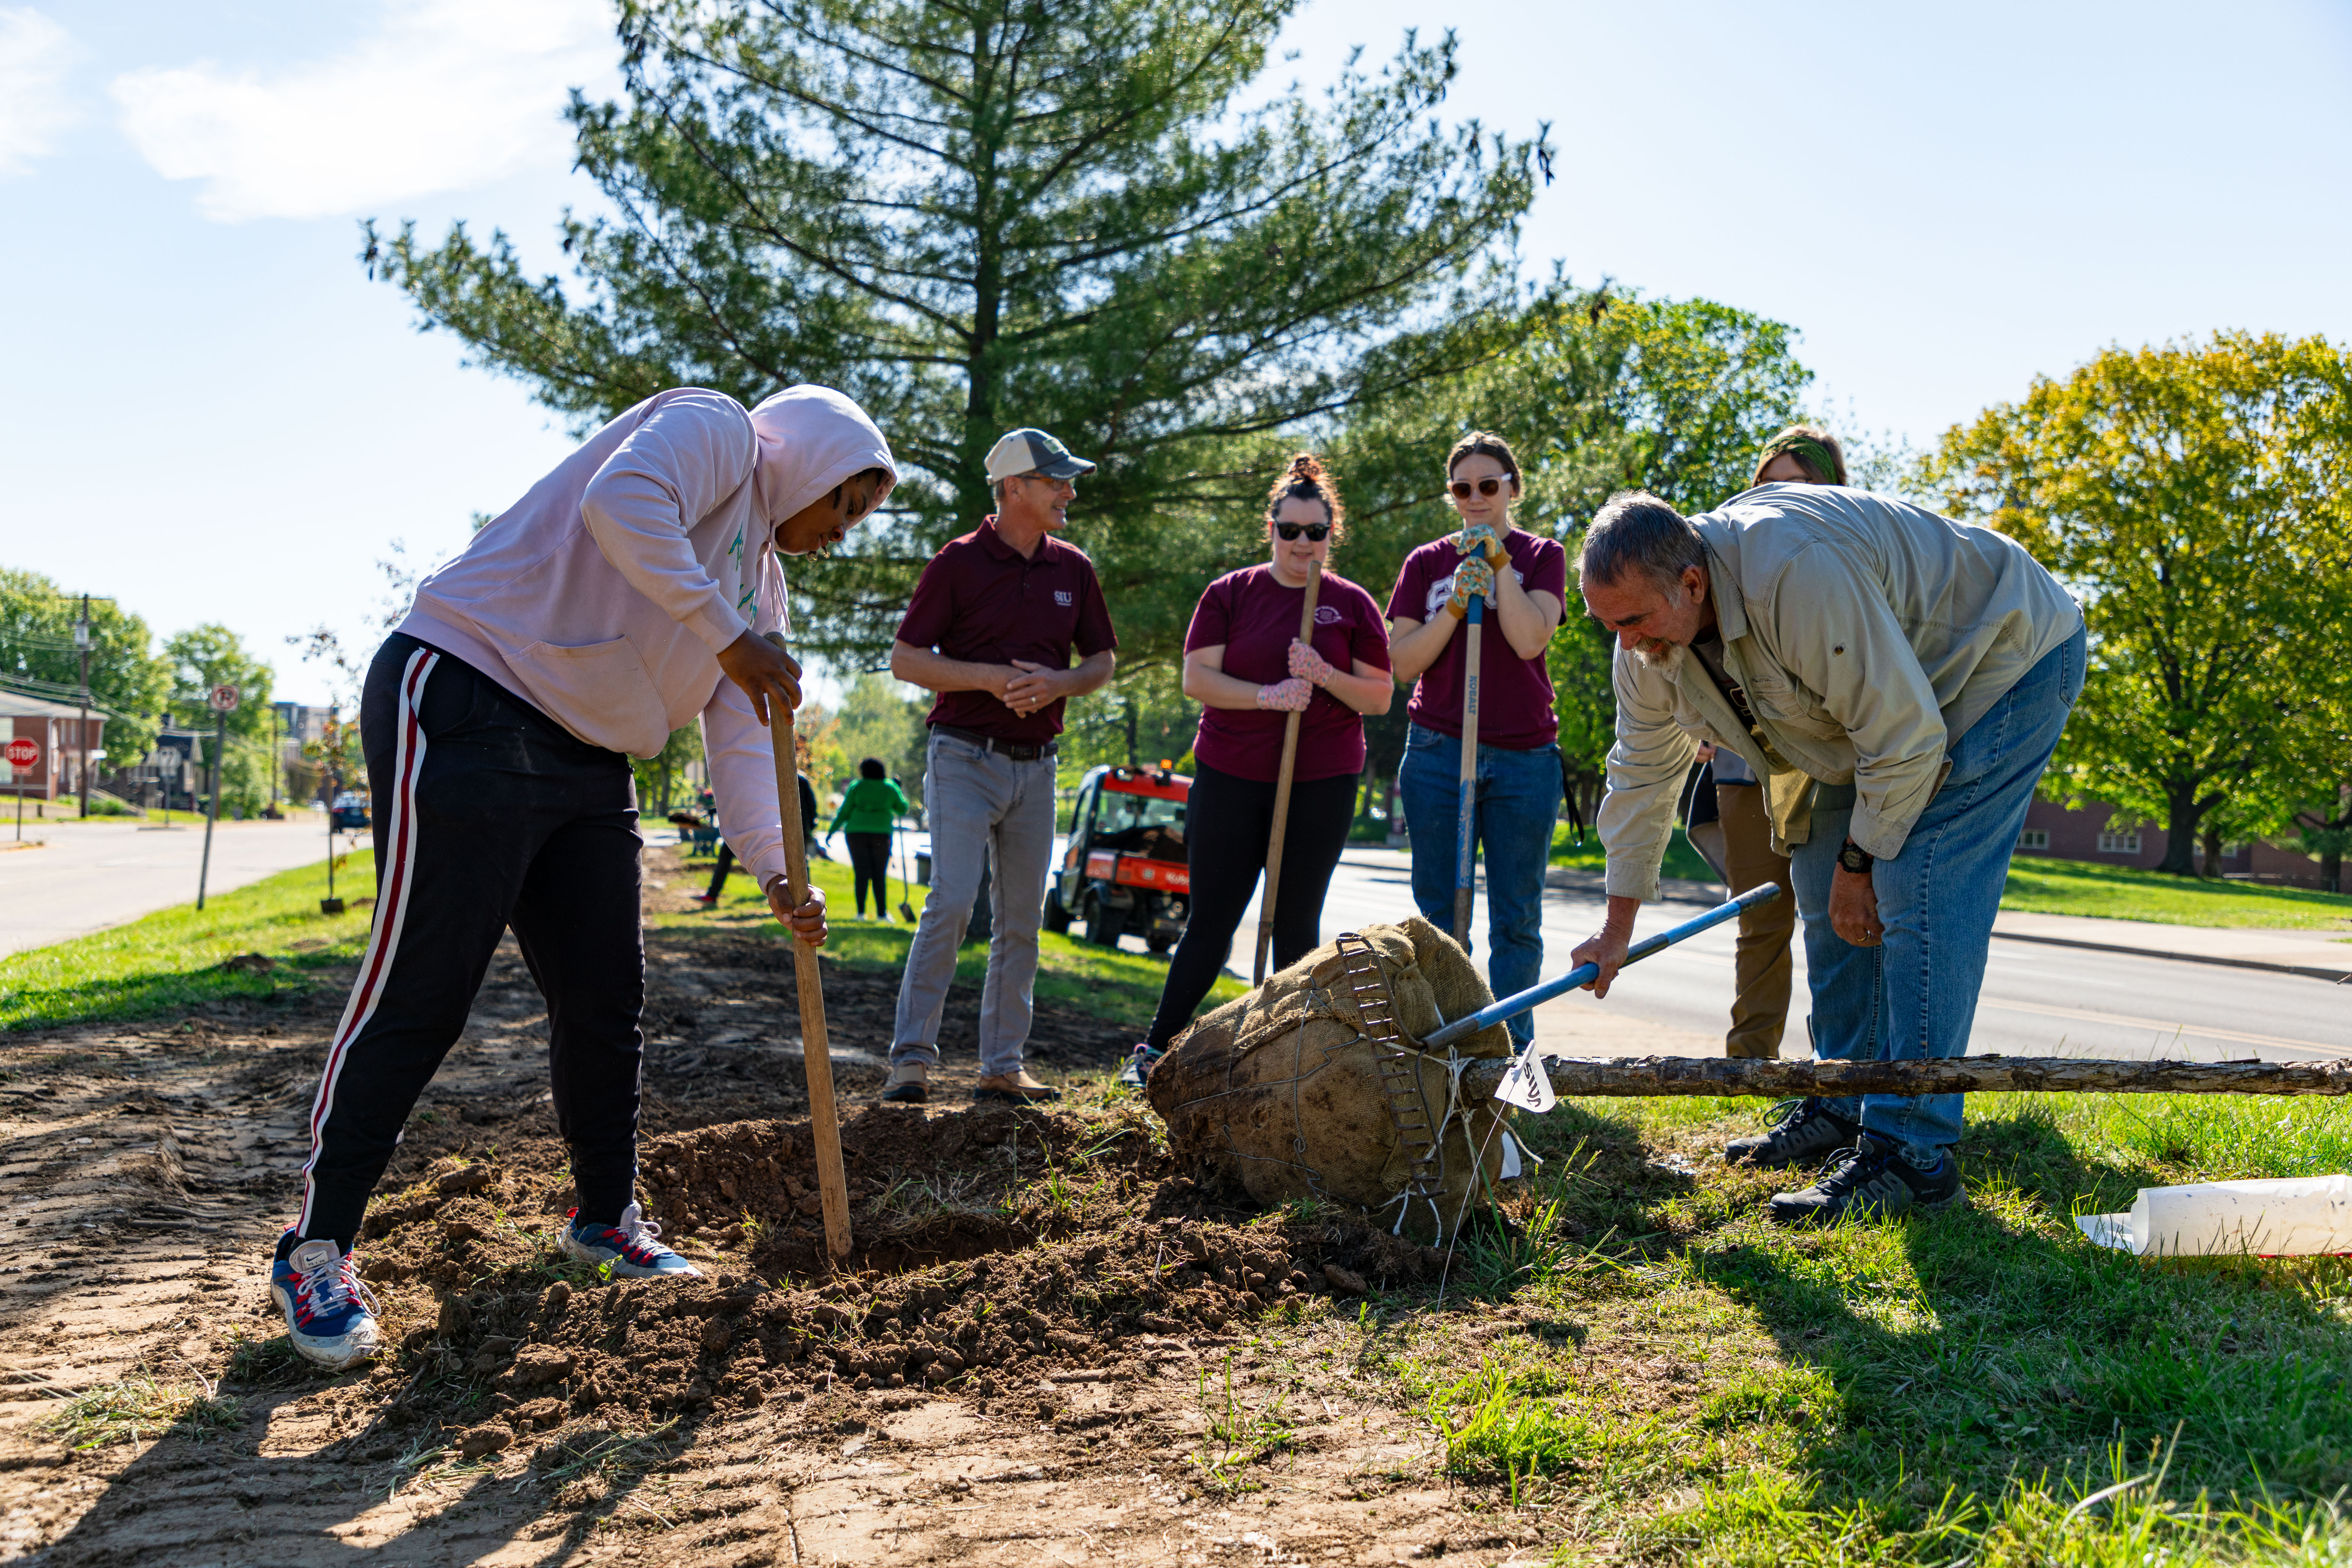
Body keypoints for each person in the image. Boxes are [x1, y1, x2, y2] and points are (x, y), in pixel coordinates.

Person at [269, 385, 892, 1370]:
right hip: (469, 689)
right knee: (425, 985)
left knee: (608, 995)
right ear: (810, 462)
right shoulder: (717, 431)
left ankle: (604, 1218)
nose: (843, 532)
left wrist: (777, 869)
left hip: (593, 754)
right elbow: (621, 502)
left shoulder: (760, 594)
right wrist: (726, 637)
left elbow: (741, 743)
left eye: (861, 517)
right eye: (845, 505)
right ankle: (316, 1248)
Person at [1572, 483, 2084, 1223]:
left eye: (1634, 620)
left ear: (1691, 582)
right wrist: (1617, 928)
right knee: (1816, 872)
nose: (1625, 641)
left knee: (1917, 884)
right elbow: (1642, 776)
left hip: (2001, 664)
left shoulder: (1793, 573)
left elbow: (1904, 738)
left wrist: (1863, 863)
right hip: (1881, 712)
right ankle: (1846, 1100)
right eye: (1606, 624)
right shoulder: (1647, 647)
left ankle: (1912, 1150)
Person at [1124, 455, 1393, 1083]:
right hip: (1232, 773)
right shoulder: (1231, 594)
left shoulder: (1350, 605)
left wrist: (1323, 675)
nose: (1303, 544)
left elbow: (1379, 697)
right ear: (1270, 528)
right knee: (1213, 917)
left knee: (1297, 921)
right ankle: (1155, 1050)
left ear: (1332, 534)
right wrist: (1269, 695)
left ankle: (1293, 1060)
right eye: (1290, 530)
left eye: (1316, 533)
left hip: (1321, 778)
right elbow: (1198, 678)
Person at [883, 428, 1118, 1105]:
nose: (1068, 492)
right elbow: (906, 659)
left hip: (1037, 767)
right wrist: (986, 678)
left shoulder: (1073, 568)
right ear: (1014, 486)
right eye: (1055, 482)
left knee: (1022, 918)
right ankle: (911, 1062)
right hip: (962, 757)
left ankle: (1002, 1066)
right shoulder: (957, 563)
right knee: (952, 902)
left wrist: (1057, 684)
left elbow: (1101, 662)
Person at [1385, 432, 1567, 1046]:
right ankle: (1446, 1044)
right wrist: (1455, 607)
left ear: (1513, 488)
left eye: (1489, 486)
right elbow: (1403, 661)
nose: (1476, 498)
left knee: (1516, 920)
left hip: (1524, 756)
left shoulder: (1542, 554)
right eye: (1463, 488)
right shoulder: (1425, 563)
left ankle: (1511, 1052)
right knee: (1440, 916)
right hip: (1439, 749)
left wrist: (1498, 567)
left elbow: (1528, 640)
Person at [1696, 425, 1849, 1058]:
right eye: (1765, 486)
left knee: (1832, 924)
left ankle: (1835, 1065)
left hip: (1825, 776)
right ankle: (1750, 1062)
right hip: (1744, 771)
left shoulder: (1844, 562)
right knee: (1760, 920)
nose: (1776, 500)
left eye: (1796, 486)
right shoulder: (1730, 555)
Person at [693, 771, 819, 904]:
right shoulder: (772, 773)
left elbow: (810, 807)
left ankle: (803, 899)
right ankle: (799, 899)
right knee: (798, 863)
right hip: (770, 828)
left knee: (798, 864)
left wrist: (807, 829)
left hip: (783, 828)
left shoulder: (780, 775)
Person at [829, 757, 911, 918]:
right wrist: (899, 789)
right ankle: (882, 914)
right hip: (881, 834)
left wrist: (832, 831)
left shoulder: (857, 787)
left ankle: (861, 913)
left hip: (856, 834)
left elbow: (844, 812)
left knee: (861, 873)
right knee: (879, 874)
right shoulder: (890, 787)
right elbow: (902, 809)